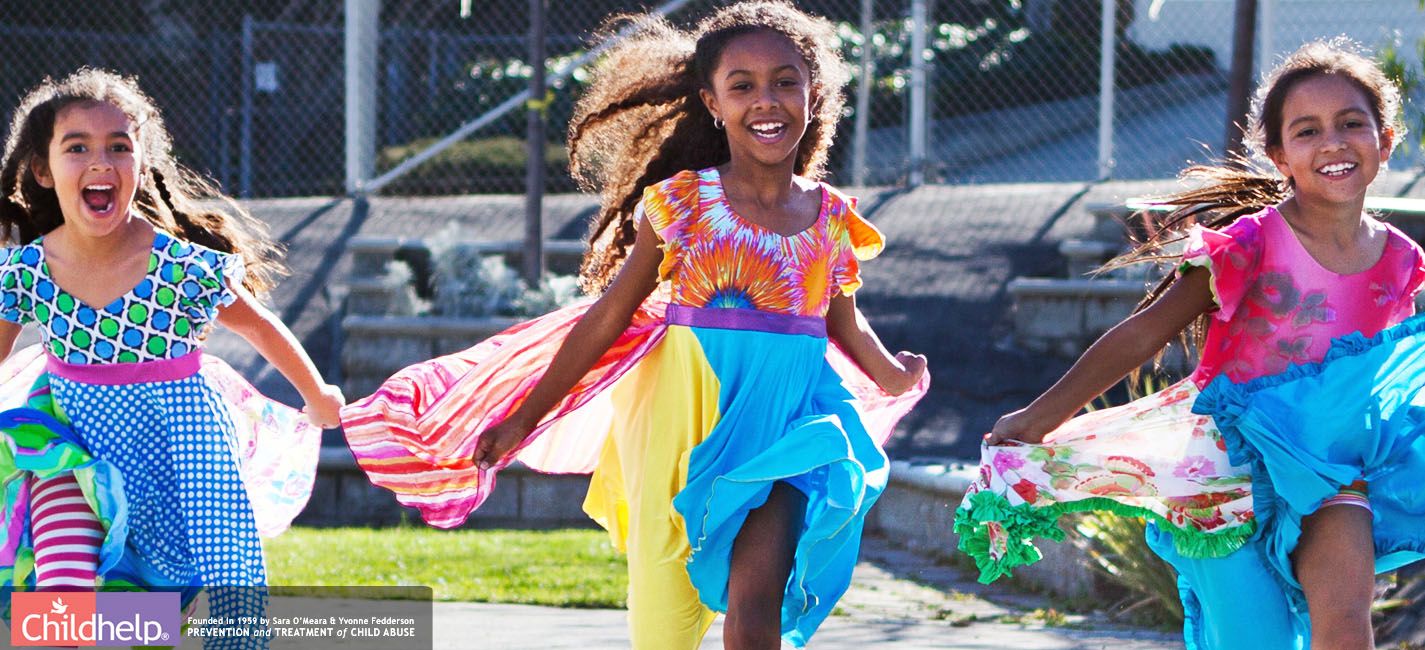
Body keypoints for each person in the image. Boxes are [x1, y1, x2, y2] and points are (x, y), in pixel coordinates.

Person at [340, 2, 928, 648]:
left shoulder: (831, 219)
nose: (767, 100)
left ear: (813, 93)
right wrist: (523, 418)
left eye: (786, 81)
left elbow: (842, 321)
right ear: (712, 101)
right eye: (743, 86)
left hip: (788, 425)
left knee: (754, 604)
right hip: (685, 428)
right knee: (663, 630)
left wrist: (893, 374)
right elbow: (606, 318)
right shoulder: (680, 204)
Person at [956, 39, 1424, 650]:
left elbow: (1390, 371)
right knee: (1256, 642)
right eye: (1307, 131)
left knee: (1344, 628)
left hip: (1333, 474)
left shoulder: (1401, 260)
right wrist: (1039, 417)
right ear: (1279, 156)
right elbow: (1146, 331)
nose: (1333, 142)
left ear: (1385, 140)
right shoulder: (1249, 245)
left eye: (1352, 124)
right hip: (1219, 475)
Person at [0, 68, 344, 648]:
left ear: (140, 164)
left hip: (182, 443)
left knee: (223, 583)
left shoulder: (181, 265)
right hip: (69, 445)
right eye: (76, 147)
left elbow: (261, 327)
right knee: (63, 590)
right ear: (42, 169)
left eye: (119, 146)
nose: (100, 161)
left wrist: (317, 395)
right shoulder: (28, 271)